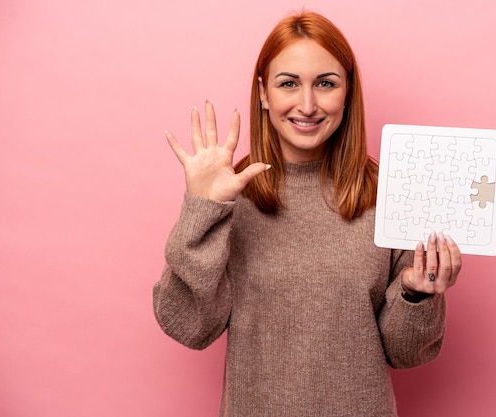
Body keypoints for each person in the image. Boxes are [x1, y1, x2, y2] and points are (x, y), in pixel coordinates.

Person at [153, 10, 462, 417]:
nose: (308, 104)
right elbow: (188, 326)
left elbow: (405, 355)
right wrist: (203, 210)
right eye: (288, 84)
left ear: (348, 92)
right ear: (264, 93)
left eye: (326, 83)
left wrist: (417, 293)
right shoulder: (231, 196)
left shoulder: (390, 195)